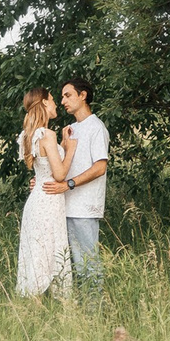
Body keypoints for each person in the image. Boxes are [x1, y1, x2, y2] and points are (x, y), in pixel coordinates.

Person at [43, 75, 108, 295]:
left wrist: (69, 184)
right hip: (64, 205)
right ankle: (76, 313)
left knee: (88, 265)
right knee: (69, 266)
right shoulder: (69, 129)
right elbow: (61, 166)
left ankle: (94, 313)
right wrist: (42, 180)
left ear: (83, 95)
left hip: (84, 208)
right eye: (61, 97)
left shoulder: (96, 127)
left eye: (68, 95)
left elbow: (100, 167)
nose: (63, 101)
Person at [13, 87, 74, 297]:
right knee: (50, 249)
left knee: (38, 251)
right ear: (45, 103)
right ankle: (52, 301)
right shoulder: (47, 134)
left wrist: (62, 146)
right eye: (53, 100)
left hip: (37, 199)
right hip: (48, 201)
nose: (56, 104)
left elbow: (40, 170)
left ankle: (35, 303)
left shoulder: (28, 135)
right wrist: (70, 148)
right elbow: (59, 174)